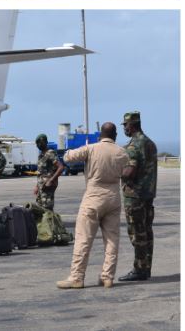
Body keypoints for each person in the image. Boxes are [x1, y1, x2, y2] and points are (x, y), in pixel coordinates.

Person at [56, 122, 129, 289]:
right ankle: (107, 277)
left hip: (93, 197)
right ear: (115, 135)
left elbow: (68, 157)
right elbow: (127, 168)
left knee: (83, 239)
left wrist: (69, 152)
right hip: (113, 198)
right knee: (112, 239)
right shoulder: (121, 152)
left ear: (100, 135)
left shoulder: (91, 148)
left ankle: (77, 277)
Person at [119, 111, 157, 282]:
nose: (124, 129)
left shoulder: (133, 146)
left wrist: (117, 173)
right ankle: (146, 267)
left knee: (137, 233)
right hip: (148, 195)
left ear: (131, 125)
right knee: (147, 232)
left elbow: (130, 171)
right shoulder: (150, 143)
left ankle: (139, 269)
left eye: (125, 125)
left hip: (134, 196)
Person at [34, 133, 65, 211]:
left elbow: (61, 167)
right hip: (41, 186)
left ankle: (51, 223)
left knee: (47, 209)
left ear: (45, 142)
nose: (39, 145)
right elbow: (40, 173)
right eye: (37, 144)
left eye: (40, 143)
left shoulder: (50, 153)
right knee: (39, 207)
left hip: (48, 186)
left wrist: (51, 180)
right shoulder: (41, 155)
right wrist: (37, 186)